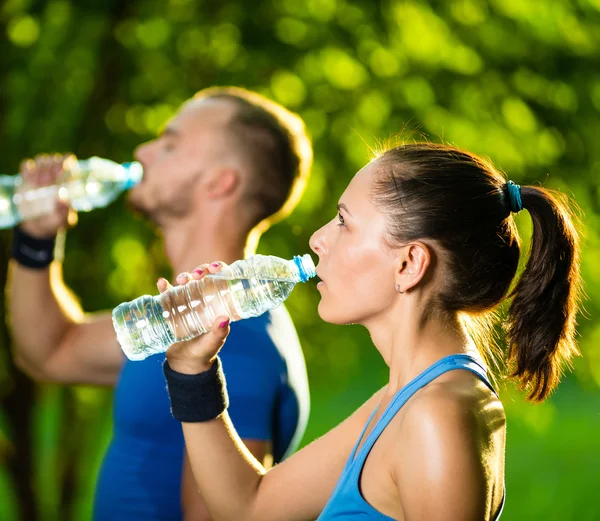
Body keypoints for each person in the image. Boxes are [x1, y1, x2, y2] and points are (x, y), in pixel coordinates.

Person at [160, 142, 582, 521]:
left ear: (410, 264)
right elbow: (248, 508)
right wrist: (192, 368)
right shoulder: (406, 399)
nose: (317, 238)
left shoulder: (436, 416)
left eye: (344, 222)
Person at [8, 87, 313, 521]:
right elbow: (49, 353)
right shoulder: (179, 320)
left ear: (219, 181)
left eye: (169, 145)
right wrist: (36, 239)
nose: (143, 151)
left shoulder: (231, 336)